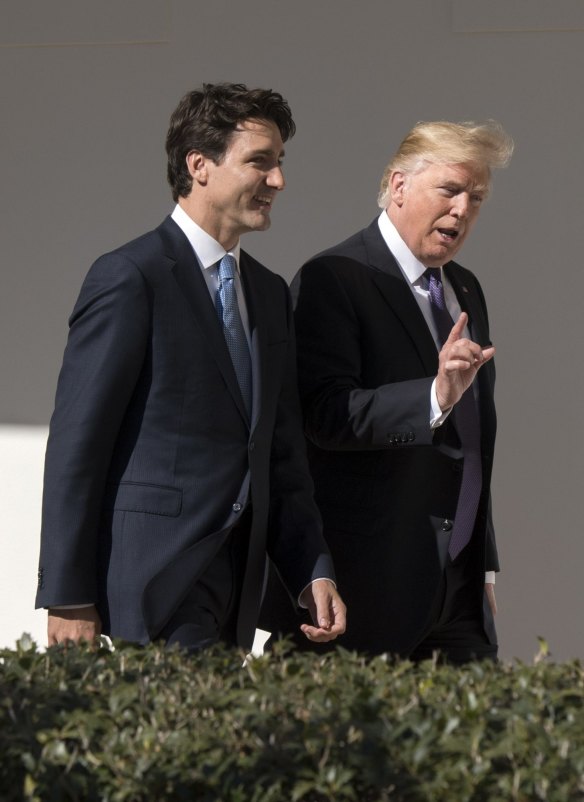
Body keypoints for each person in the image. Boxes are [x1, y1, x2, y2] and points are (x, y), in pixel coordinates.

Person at [35, 82, 346, 652]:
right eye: (260, 162)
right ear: (198, 164)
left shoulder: (269, 293)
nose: (277, 180)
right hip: (148, 582)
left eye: (279, 164)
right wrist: (68, 593)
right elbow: (78, 444)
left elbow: (279, 451)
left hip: (236, 583)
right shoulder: (130, 276)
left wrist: (312, 568)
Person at [260, 120, 513, 663]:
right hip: (365, 590)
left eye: (477, 197)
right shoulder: (337, 277)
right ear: (398, 186)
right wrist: (433, 397)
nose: (464, 209)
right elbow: (324, 415)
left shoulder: (464, 287)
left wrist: (481, 565)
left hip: (457, 592)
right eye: (450, 190)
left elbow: (470, 445)